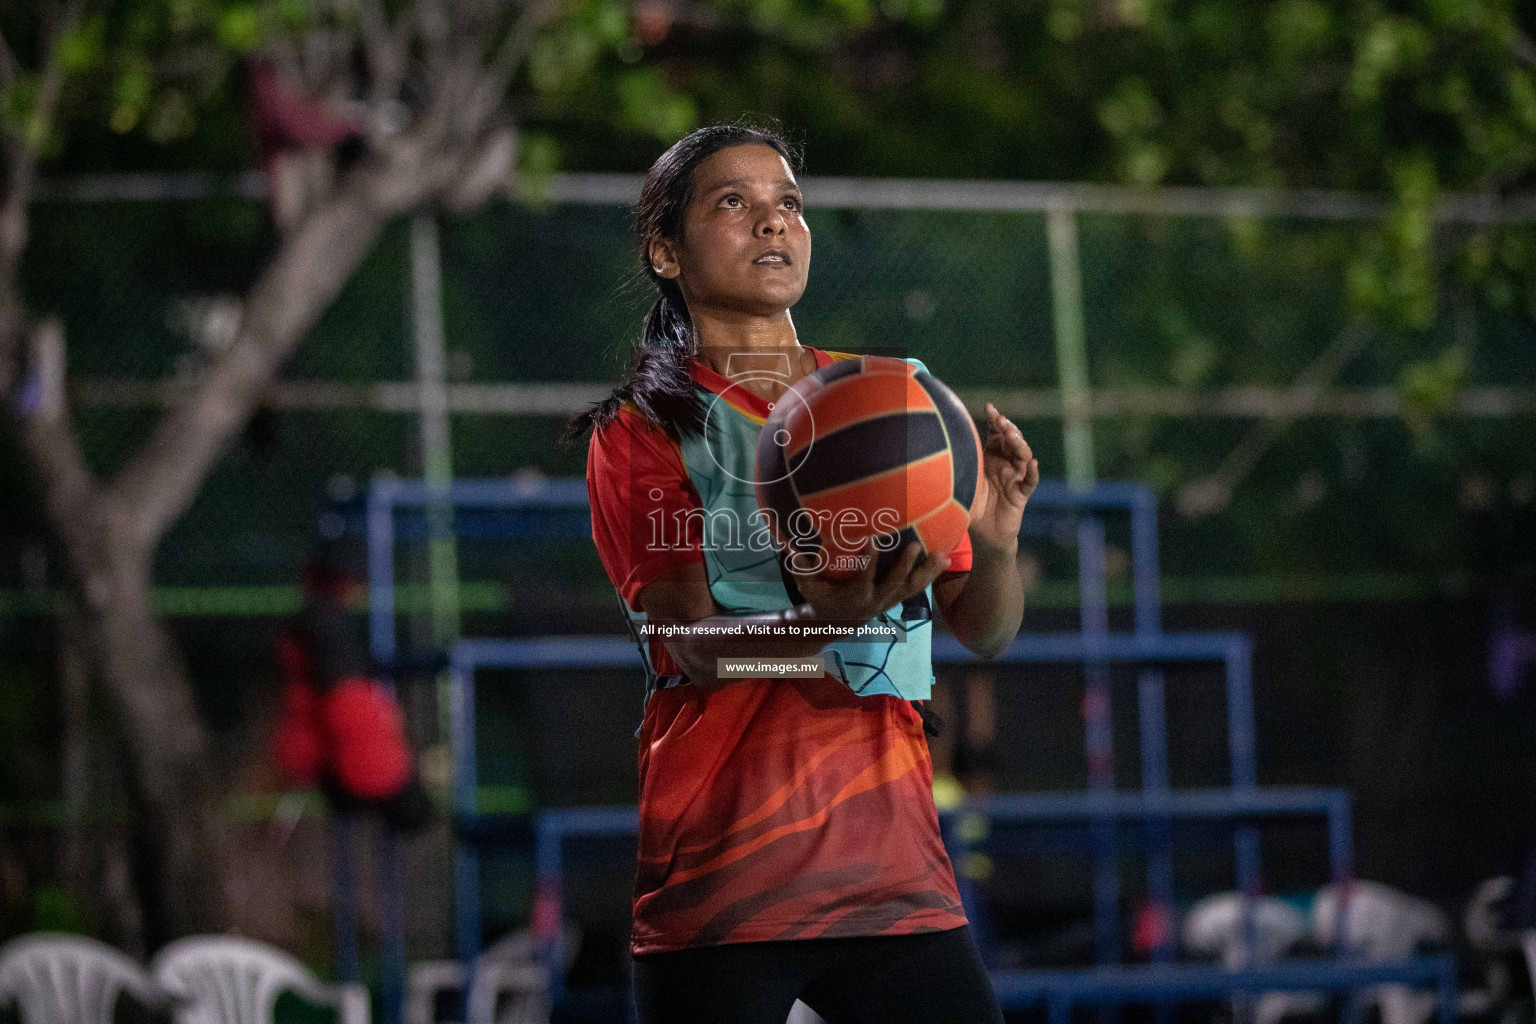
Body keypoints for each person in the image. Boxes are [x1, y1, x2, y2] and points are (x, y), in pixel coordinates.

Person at [569, 123, 1040, 1024]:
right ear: (665, 251)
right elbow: (690, 651)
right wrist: (825, 624)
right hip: (725, 876)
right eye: (735, 203)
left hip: (893, 873)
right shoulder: (647, 428)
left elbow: (986, 628)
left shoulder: (900, 399)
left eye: (788, 203)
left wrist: (1002, 539)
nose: (774, 224)